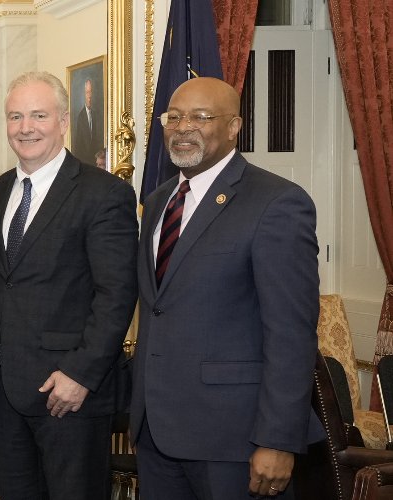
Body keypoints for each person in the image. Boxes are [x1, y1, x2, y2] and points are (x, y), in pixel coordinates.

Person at [132, 77, 321, 500]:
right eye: (174, 117)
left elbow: (291, 332)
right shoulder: (159, 202)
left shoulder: (276, 203)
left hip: (235, 440)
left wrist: (278, 438)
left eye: (201, 116)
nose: (183, 127)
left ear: (234, 126)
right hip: (156, 433)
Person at [0, 71, 138, 500]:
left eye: (38, 115)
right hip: (4, 390)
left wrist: (81, 373)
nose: (25, 127)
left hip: (67, 392)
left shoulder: (103, 193)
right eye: (15, 117)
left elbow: (117, 292)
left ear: (64, 121)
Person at [71, 79, 104, 167]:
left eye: (91, 92)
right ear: (84, 95)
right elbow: (77, 146)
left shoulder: (97, 114)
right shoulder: (80, 117)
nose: (89, 96)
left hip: (96, 164)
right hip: (84, 164)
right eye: (87, 92)